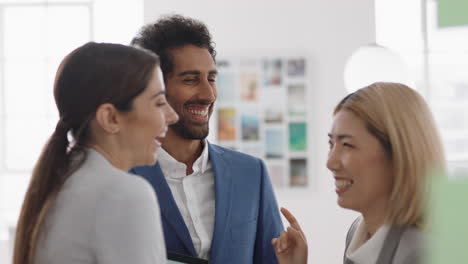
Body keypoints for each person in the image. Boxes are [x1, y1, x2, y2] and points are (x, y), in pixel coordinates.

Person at [130, 15, 284, 264]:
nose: (208, 93)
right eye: (190, 80)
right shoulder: (123, 174)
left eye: (211, 78)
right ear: (153, 88)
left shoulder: (250, 173)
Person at [13, 42, 178, 264]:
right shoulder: (125, 193)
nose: (172, 116)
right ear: (110, 118)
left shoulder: (60, 181)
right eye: (159, 102)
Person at [272, 82, 446, 264]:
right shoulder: (358, 232)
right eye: (332, 144)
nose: (330, 162)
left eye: (347, 145)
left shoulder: (424, 253)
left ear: (398, 154)